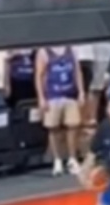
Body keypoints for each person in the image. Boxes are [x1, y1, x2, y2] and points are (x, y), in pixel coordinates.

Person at [35, 46, 85, 176]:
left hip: (70, 94)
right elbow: (39, 75)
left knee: (73, 126)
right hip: (52, 95)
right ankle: (57, 160)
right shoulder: (44, 51)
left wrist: (81, 92)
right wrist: (41, 97)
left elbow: (77, 71)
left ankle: (72, 159)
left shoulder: (72, 49)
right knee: (53, 128)